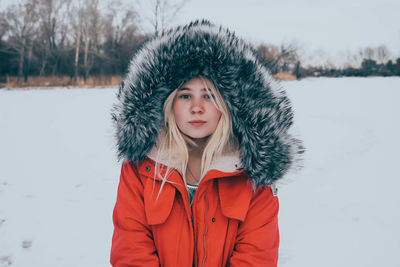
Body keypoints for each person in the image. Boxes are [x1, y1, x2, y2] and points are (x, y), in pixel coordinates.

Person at [110, 20, 304, 267]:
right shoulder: (140, 170)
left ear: (227, 104)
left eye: (209, 95)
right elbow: (130, 252)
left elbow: (256, 258)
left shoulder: (253, 174)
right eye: (185, 95)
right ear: (168, 103)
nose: (197, 108)